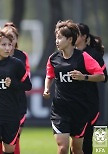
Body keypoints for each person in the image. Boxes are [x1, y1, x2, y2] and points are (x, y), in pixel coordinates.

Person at [43, 20, 105, 154]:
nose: (57, 41)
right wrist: (46, 88)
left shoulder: (83, 57)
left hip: (80, 110)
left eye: (60, 38)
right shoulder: (53, 58)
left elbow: (101, 76)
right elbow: (50, 75)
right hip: (60, 110)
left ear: (70, 39)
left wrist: (84, 77)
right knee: (63, 148)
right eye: (56, 38)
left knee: (76, 149)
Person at [0, 22, 31, 154]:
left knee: (14, 138)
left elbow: (27, 80)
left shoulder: (22, 57)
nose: (8, 44)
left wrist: (13, 83)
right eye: (5, 40)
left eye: (12, 38)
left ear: (16, 40)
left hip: (17, 102)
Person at [75, 23, 107, 154]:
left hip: (89, 103)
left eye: (75, 33)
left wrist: (85, 77)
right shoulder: (69, 54)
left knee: (87, 140)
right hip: (72, 103)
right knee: (74, 140)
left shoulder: (93, 54)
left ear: (83, 36)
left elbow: (104, 77)